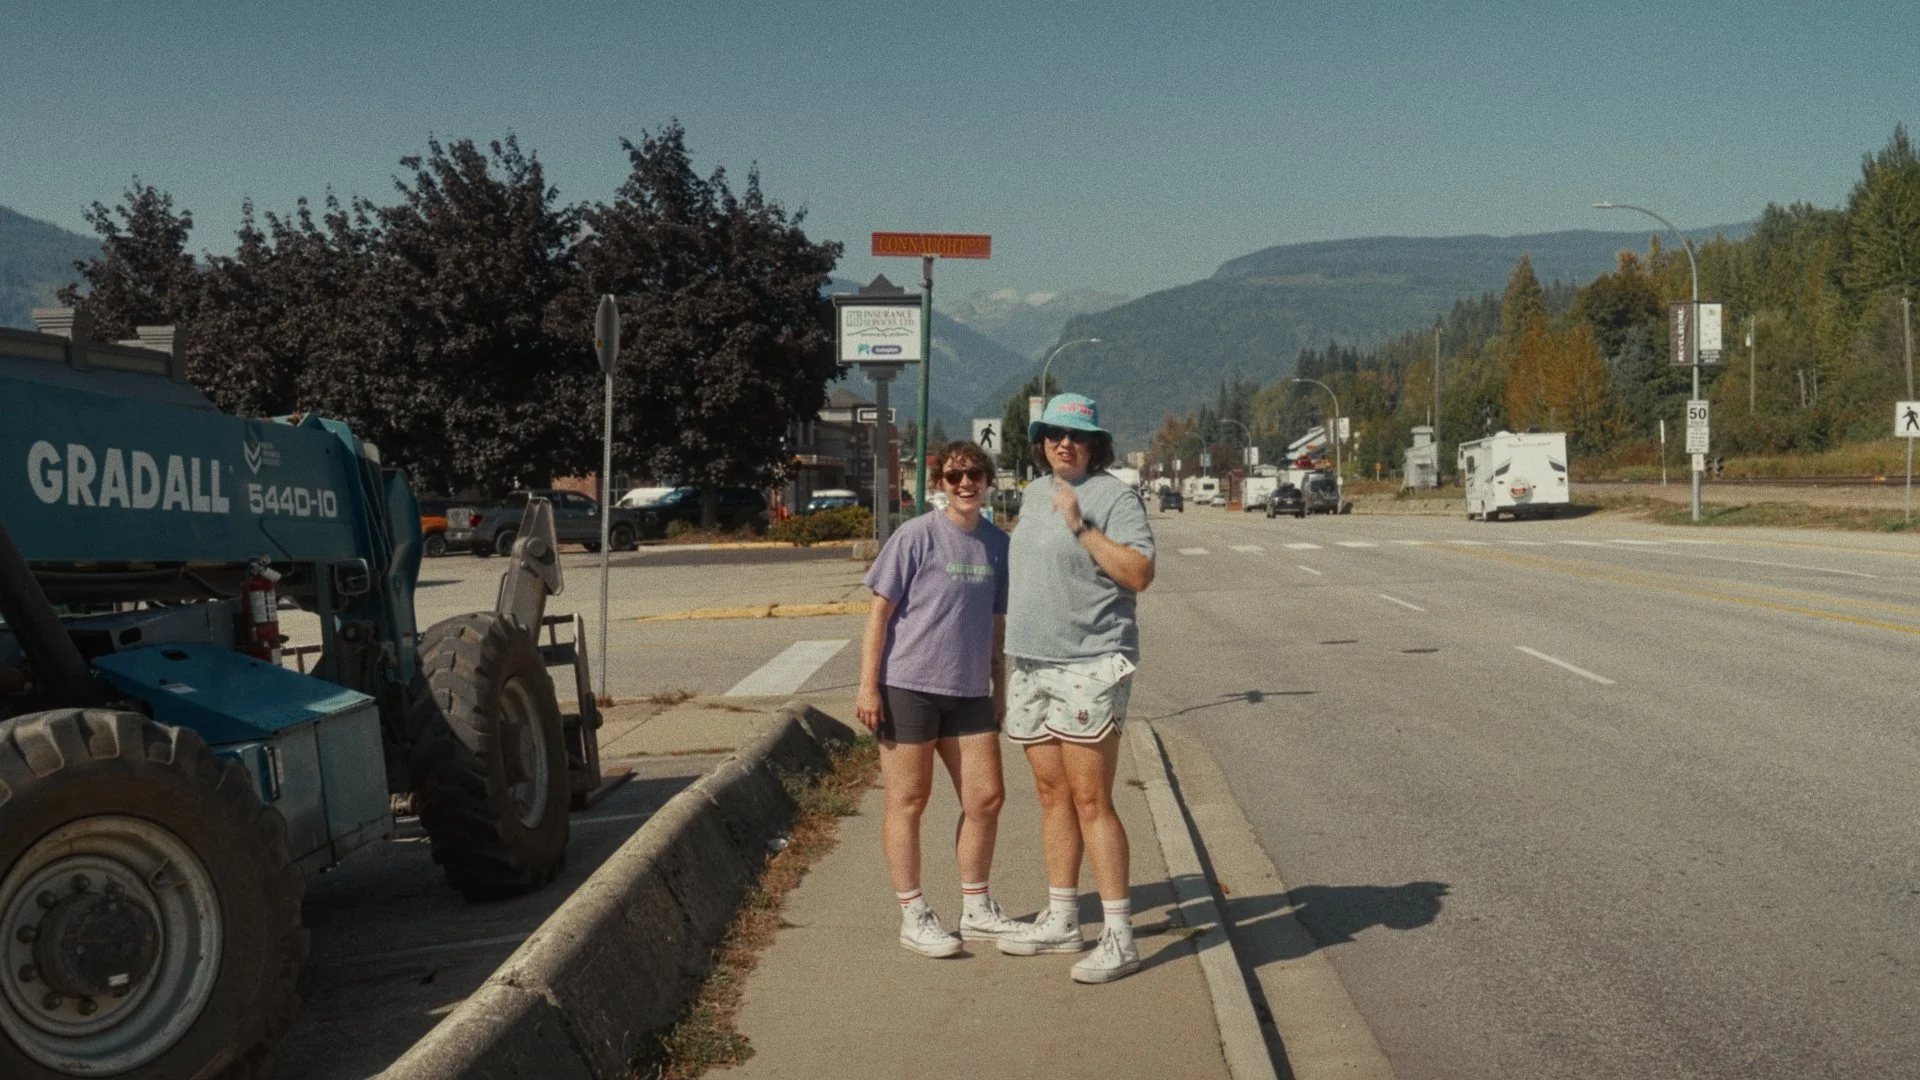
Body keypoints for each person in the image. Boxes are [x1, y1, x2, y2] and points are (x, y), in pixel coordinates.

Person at [997, 393, 1156, 983]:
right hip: (1032, 662)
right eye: (1054, 434)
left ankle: (1120, 937)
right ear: (1041, 442)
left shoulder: (1113, 497)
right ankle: (1063, 918)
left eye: (1077, 436)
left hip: (1089, 661)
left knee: (1092, 801)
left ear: (1095, 444)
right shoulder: (1034, 493)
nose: (1064, 443)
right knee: (1051, 795)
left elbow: (1140, 572)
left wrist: (1082, 526)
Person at [856, 440, 1023, 957]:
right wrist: (867, 686)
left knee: (986, 798)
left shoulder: (997, 544)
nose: (966, 483)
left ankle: (976, 908)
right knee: (909, 801)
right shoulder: (916, 536)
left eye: (975, 474)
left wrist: (999, 689)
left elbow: (996, 624)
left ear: (988, 480)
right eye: (955, 476)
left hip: (970, 691)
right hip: (908, 686)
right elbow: (879, 615)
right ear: (940, 485)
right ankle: (913, 914)